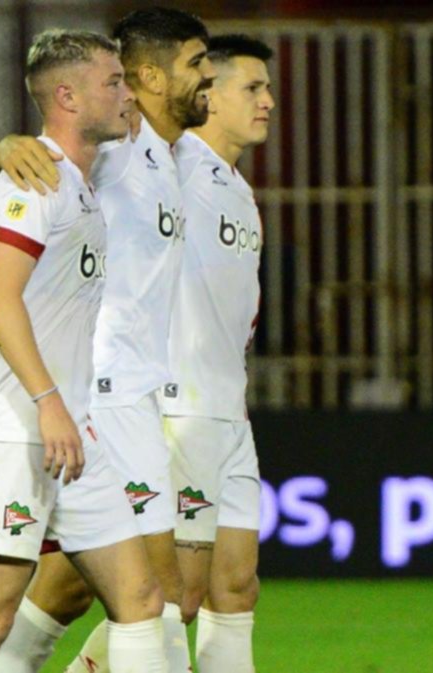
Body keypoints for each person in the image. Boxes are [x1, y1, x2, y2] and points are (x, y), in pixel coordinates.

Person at [0, 8, 216, 673]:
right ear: (148, 76)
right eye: (198, 64)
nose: (211, 78)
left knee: (74, 584)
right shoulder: (119, 143)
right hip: (105, 390)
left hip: (135, 392)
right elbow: (39, 165)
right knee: (162, 593)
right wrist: (3, 149)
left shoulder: (174, 157)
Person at [0, 29, 168, 673]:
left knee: (142, 600)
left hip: (71, 433)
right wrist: (48, 402)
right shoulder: (33, 180)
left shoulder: (84, 176)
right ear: (67, 95)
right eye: (113, 83)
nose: (128, 95)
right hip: (17, 422)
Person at [162, 33, 275, 673]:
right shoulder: (169, 166)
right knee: (174, 596)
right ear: (210, 94)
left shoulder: (238, 192)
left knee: (236, 588)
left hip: (229, 411)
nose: (269, 101)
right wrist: (10, 152)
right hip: (182, 409)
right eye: (253, 88)